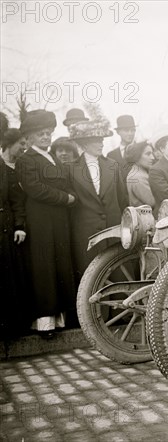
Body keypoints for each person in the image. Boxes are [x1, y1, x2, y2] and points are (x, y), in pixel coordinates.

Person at [16, 110, 77, 338]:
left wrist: (72, 196)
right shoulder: (26, 160)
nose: (45, 137)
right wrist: (66, 198)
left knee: (60, 264)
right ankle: (44, 324)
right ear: (29, 137)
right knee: (44, 267)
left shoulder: (52, 157)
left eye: (48, 133)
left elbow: (67, 183)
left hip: (59, 219)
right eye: (40, 133)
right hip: (40, 219)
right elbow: (35, 189)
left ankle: (60, 319)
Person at [68, 118, 128, 283]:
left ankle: (118, 309)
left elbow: (123, 199)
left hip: (114, 230)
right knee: (91, 279)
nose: (101, 144)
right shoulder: (70, 168)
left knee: (117, 275)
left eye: (102, 140)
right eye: (97, 140)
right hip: (86, 234)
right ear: (85, 143)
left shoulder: (113, 166)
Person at [0, 132, 30, 339]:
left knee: (8, 277)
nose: (24, 148)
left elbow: (17, 201)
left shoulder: (9, 172)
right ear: (8, 145)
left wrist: (20, 226)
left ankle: (11, 327)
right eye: (21, 144)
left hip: (5, 229)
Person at [125, 140, 156, 207]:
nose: (152, 157)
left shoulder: (140, 172)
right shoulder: (138, 177)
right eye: (148, 154)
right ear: (137, 156)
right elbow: (152, 202)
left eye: (152, 154)